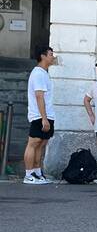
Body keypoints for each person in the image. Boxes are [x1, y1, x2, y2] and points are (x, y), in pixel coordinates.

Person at [23, 45, 56, 184]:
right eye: (50, 54)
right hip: (39, 115)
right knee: (33, 143)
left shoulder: (44, 73)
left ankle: (37, 173)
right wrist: (44, 118)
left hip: (47, 114)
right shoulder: (38, 73)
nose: (53, 57)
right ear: (43, 56)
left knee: (41, 143)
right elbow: (39, 96)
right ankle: (28, 175)